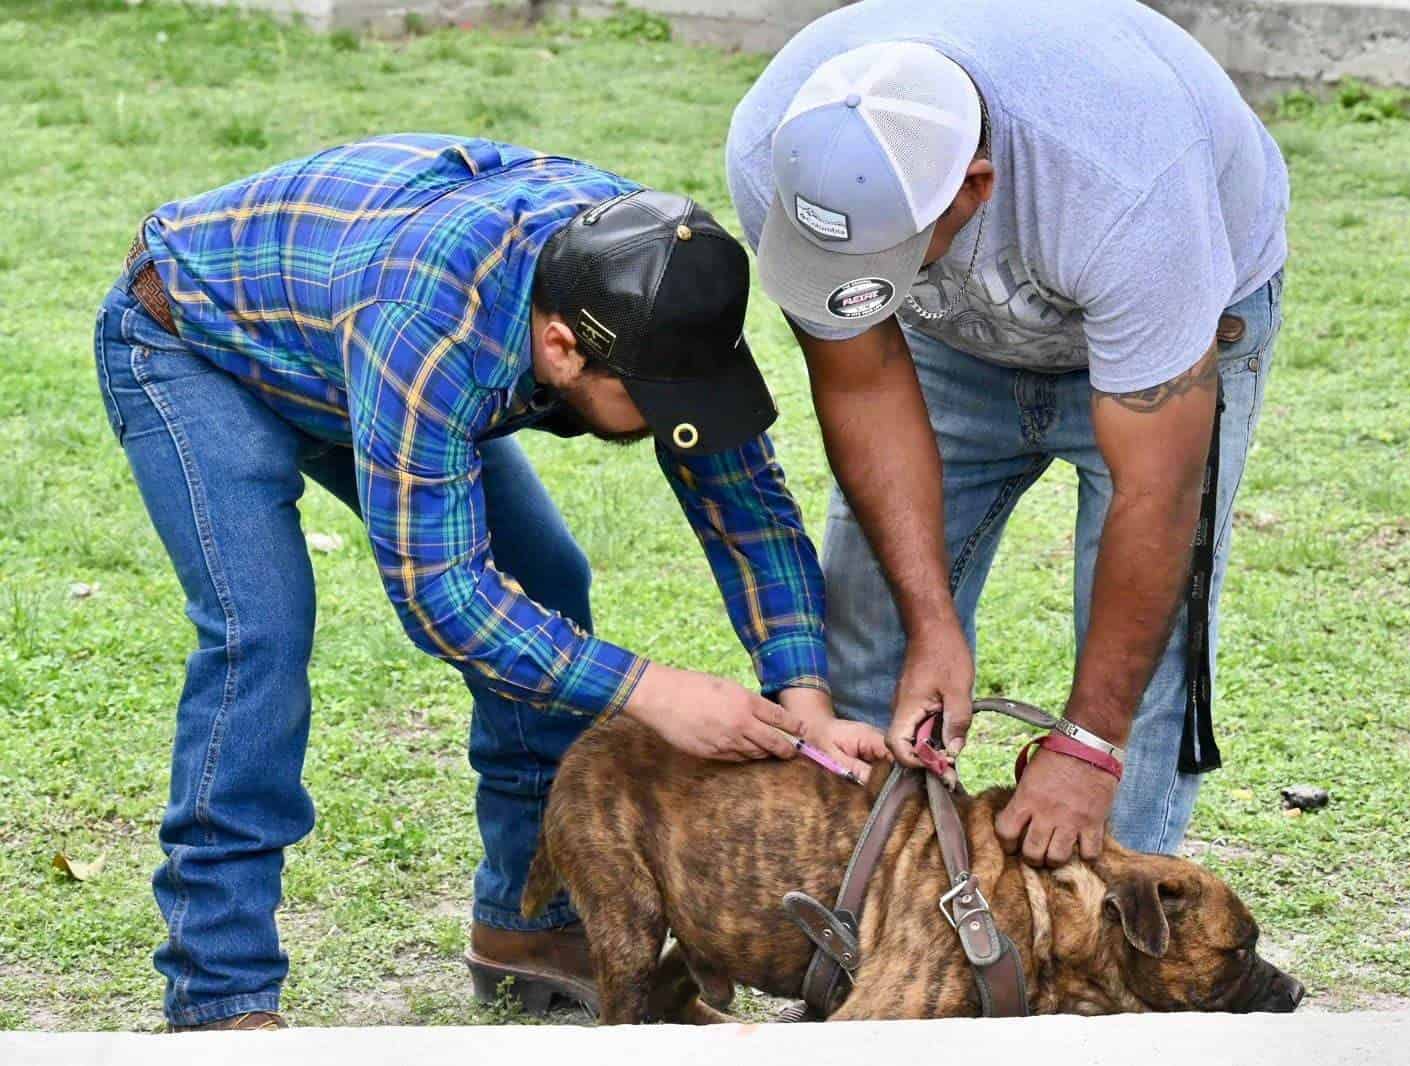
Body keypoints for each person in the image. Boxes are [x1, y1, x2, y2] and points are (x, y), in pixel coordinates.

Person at [94, 133, 885, 1031]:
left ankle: (530, 928)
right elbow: (444, 595)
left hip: (348, 331)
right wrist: (649, 689)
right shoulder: (432, 325)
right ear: (559, 347)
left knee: (543, 582)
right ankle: (219, 992)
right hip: (195, 339)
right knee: (261, 635)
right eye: (656, 406)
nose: (676, 424)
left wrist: (804, 688)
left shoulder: (656, 272)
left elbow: (745, 504)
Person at [727, 0, 1289, 866]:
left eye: (879, 258)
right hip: (953, 336)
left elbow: (1156, 490)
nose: (854, 279)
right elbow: (863, 377)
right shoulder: (778, 147)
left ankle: (1105, 955)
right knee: (867, 622)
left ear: (974, 186)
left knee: (1148, 664)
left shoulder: (1127, 184)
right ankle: (870, 922)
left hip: (1168, 324)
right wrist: (931, 622)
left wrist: (1088, 744)